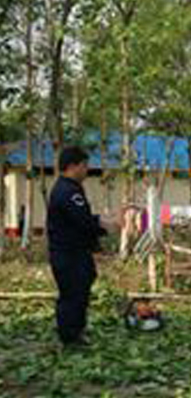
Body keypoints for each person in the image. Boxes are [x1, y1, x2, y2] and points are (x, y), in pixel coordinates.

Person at [47, 146, 119, 348]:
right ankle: (70, 338)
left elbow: (81, 220)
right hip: (69, 255)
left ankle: (76, 332)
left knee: (79, 293)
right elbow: (83, 223)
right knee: (73, 295)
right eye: (84, 166)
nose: (87, 170)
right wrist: (105, 225)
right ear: (72, 166)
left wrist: (100, 222)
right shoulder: (68, 191)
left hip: (74, 254)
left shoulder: (68, 189)